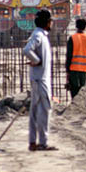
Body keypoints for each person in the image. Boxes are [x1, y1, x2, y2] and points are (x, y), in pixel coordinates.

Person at [22, 10, 55, 151]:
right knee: (45, 109)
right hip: (40, 79)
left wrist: (36, 61)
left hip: (38, 78)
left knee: (35, 110)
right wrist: (36, 60)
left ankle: (33, 142)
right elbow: (27, 50)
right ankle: (42, 142)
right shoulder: (38, 36)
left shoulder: (40, 35)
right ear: (47, 22)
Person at [65, 18, 86, 98]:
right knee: (82, 91)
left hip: (74, 69)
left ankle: (74, 107)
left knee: (74, 91)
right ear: (85, 27)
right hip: (84, 70)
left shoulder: (72, 38)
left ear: (76, 26)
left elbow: (69, 56)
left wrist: (67, 70)